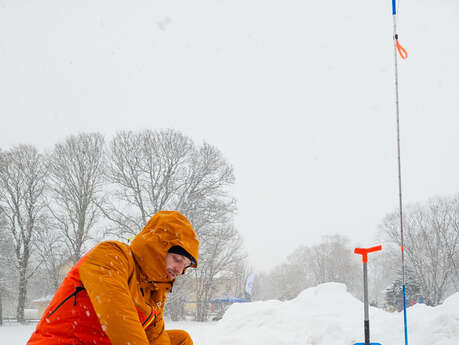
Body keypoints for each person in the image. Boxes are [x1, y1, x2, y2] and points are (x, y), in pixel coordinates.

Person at [27, 210, 199, 345]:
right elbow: (120, 321)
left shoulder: (154, 290)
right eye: (177, 259)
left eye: (185, 266)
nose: (179, 270)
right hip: (67, 342)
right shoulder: (111, 255)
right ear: (158, 248)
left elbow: (156, 338)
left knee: (180, 340)